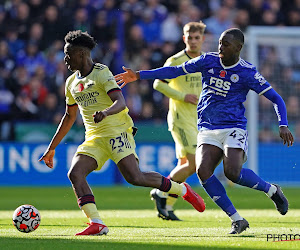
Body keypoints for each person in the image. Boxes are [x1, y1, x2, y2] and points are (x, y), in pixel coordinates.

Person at [114, 28, 294, 234]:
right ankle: (237, 219)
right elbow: (175, 71)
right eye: (219, 42)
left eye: (225, 44)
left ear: (238, 47)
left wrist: (283, 124)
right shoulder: (208, 60)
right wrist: (138, 75)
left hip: (233, 126)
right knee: (203, 172)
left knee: (232, 173)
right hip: (208, 127)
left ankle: (272, 190)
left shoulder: (247, 72)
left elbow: (276, 98)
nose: (220, 47)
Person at [39, 30, 205, 236]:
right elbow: (69, 116)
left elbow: (120, 102)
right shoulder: (71, 83)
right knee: (75, 173)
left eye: (68, 54)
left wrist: (105, 113)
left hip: (118, 131)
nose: (65, 59)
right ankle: (96, 222)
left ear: (81, 54)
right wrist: (51, 148)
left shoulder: (102, 73)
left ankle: (182, 190)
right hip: (94, 138)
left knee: (135, 177)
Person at [149, 21, 206, 221]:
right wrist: (183, 96)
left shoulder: (206, 61)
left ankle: (167, 207)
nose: (193, 41)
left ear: (202, 39)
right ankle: (161, 192)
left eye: (196, 38)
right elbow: (158, 84)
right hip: (180, 118)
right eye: (189, 37)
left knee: (184, 164)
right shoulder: (175, 60)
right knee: (193, 164)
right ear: (184, 38)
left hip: (199, 120)